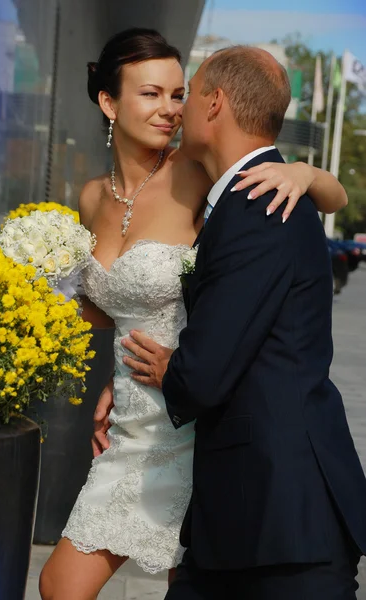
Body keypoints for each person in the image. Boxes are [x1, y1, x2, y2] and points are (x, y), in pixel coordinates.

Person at [39, 29, 348, 600]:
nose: (170, 109)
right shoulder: (88, 198)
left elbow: (323, 200)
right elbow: (109, 310)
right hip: (132, 422)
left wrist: (305, 174)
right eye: (152, 94)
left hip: (198, 416)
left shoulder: (198, 171)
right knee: (59, 585)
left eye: (179, 94)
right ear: (109, 102)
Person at [119, 46, 366, 599]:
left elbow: (205, 373)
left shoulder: (258, 202)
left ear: (216, 103)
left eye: (188, 94)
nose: (176, 110)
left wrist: (170, 372)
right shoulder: (249, 192)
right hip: (253, 518)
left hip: (280, 518)